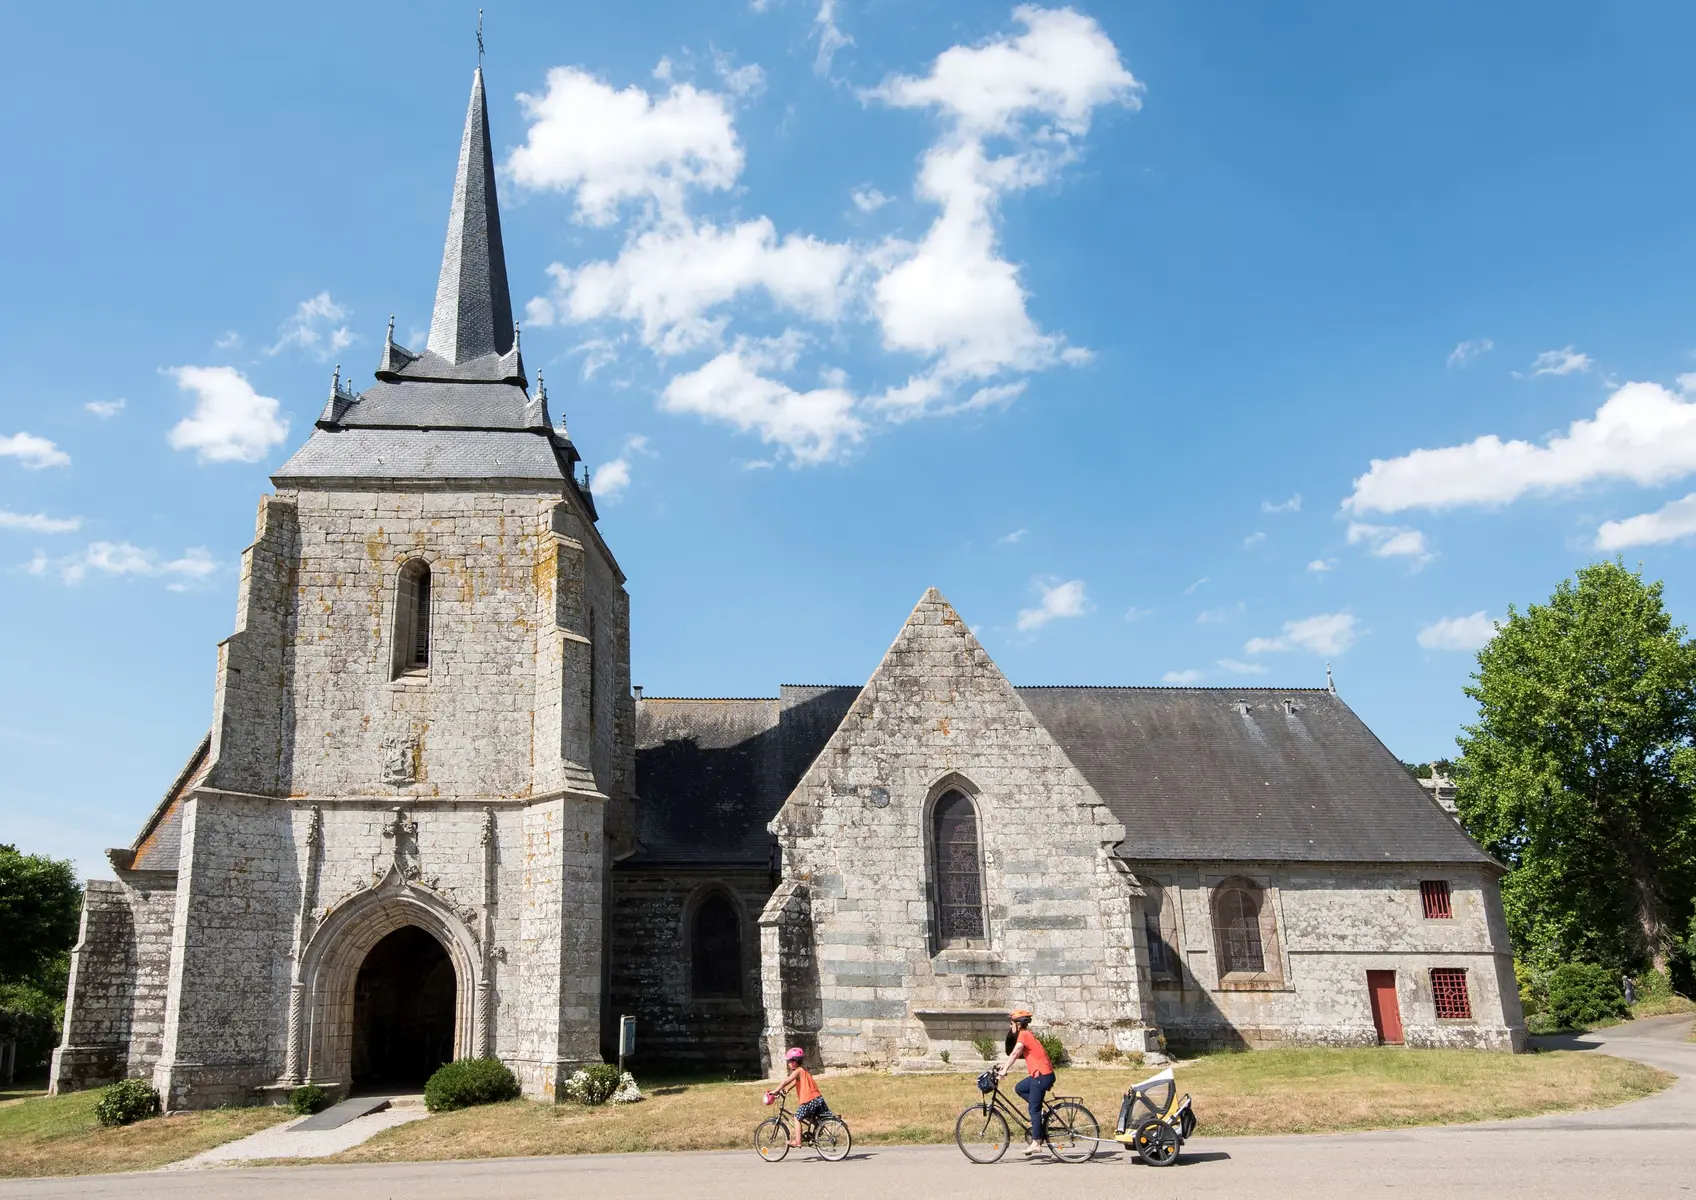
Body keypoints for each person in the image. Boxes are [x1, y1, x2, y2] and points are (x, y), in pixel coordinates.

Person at [997, 1008, 1056, 1157]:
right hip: (1041, 1075)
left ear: (1018, 1024)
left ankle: (1036, 1142)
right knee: (1020, 1088)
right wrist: (1002, 1066)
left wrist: (1004, 1070)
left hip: (1041, 1076)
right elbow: (1015, 1055)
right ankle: (1042, 1113)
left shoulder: (1024, 1035)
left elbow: (1015, 1053)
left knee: (1033, 1109)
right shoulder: (1026, 1035)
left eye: (1011, 1024)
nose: (1010, 1027)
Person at [773, 1046, 828, 1147]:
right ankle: (817, 1131)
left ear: (794, 1062)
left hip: (809, 1100)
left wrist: (775, 1091)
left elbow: (786, 1081)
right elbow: (795, 1082)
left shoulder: (797, 1071)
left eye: (789, 1061)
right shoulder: (803, 1070)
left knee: (797, 1118)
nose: (788, 1064)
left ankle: (797, 1142)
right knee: (807, 1117)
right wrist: (786, 1090)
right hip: (817, 1099)